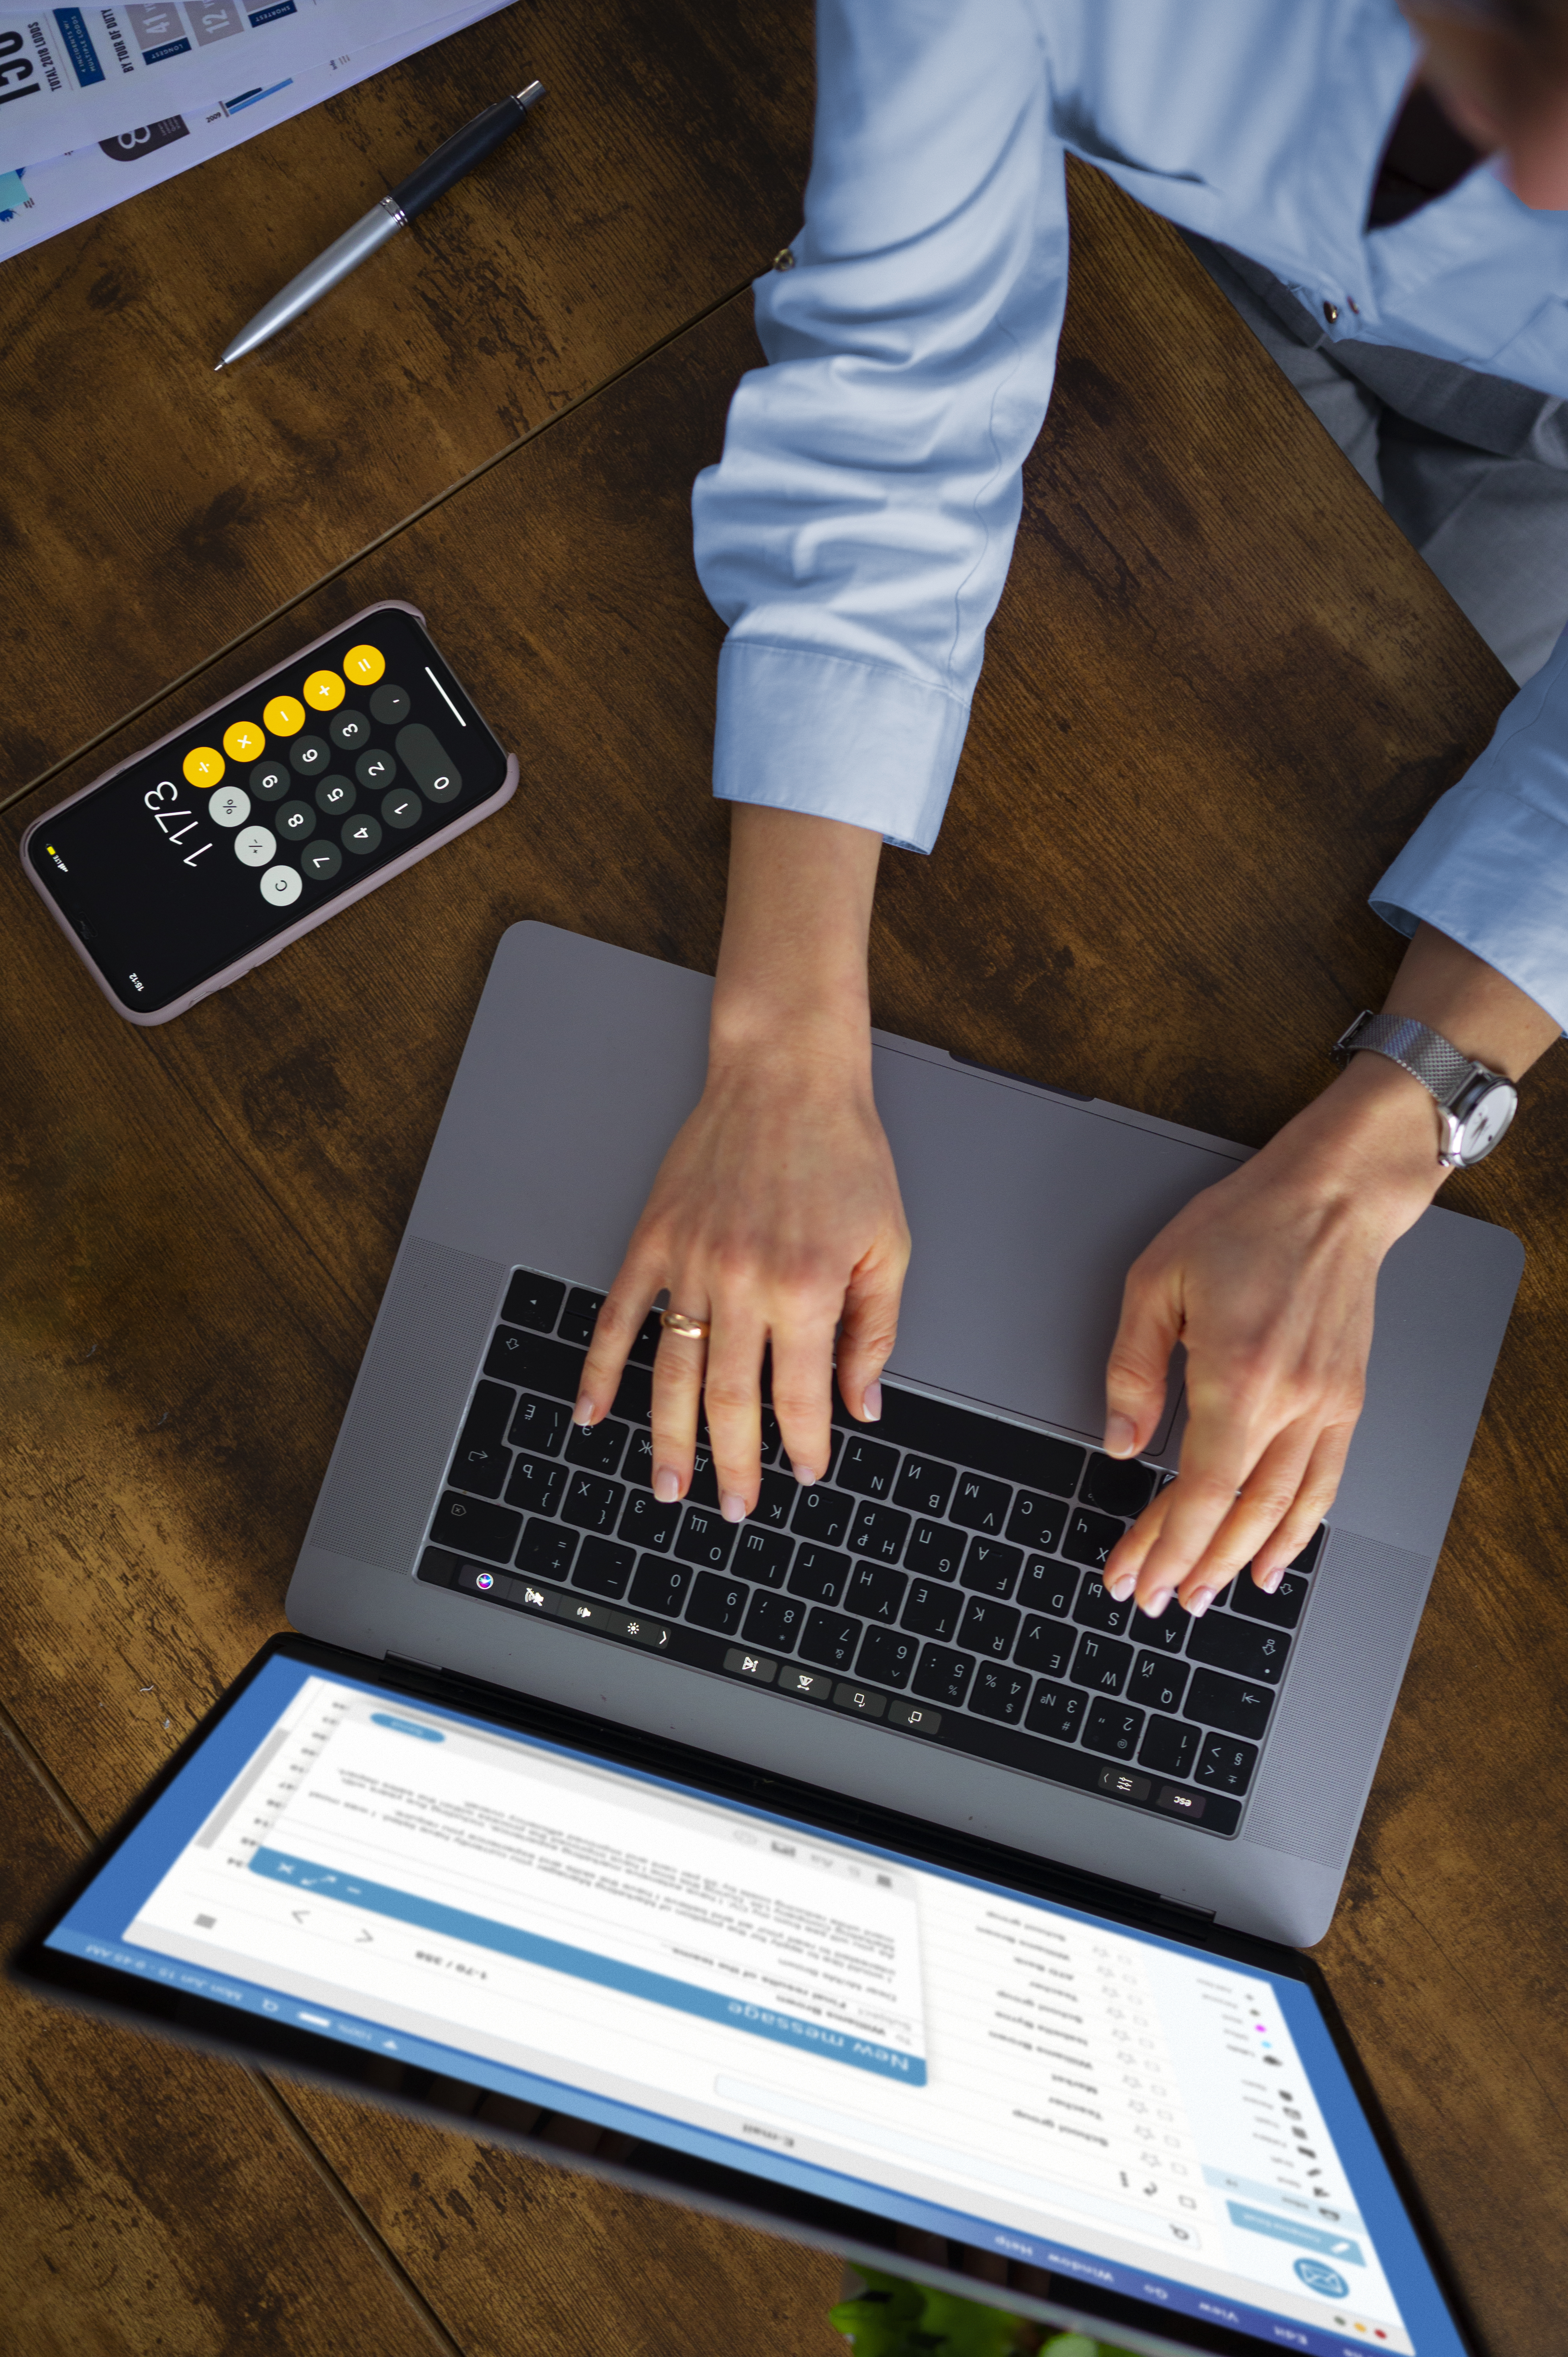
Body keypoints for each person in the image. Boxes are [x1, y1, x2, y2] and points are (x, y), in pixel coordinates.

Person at [574, 0, 1565, 1627]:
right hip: (1174, 255)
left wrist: (1376, 1148)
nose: (1538, 175)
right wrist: (778, 1050)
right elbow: (896, 401)